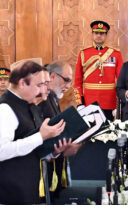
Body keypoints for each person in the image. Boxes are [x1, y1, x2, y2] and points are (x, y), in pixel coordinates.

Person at [0, 61, 66, 204]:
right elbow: (1, 151)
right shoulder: (4, 109)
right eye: (39, 85)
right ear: (22, 83)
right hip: (7, 195)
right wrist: (41, 136)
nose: (43, 91)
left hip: (25, 191)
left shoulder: (28, 104)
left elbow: (29, 145)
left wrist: (52, 152)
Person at [38, 61, 83, 200]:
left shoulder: (53, 98)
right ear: (52, 76)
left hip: (54, 159)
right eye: (66, 80)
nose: (68, 86)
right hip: (42, 165)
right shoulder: (42, 99)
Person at [74, 20, 123, 121]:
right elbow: (77, 82)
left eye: (102, 33)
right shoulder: (83, 54)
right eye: (96, 33)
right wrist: (80, 103)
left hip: (109, 102)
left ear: (106, 35)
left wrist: (118, 105)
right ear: (92, 34)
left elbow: (121, 82)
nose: (99, 35)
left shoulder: (115, 54)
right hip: (89, 102)